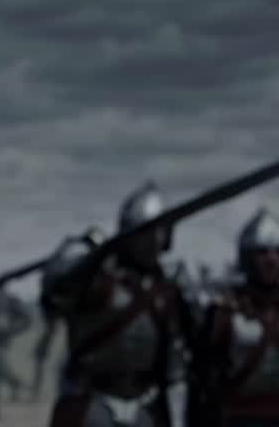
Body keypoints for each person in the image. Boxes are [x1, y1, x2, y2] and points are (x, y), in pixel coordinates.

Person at [40, 182, 190, 427]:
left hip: (145, 402)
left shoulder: (167, 288)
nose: (155, 240)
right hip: (92, 400)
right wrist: (85, 251)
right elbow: (56, 290)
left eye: (160, 232)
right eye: (148, 232)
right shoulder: (99, 277)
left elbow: (175, 364)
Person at [192, 207, 279, 426]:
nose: (271, 260)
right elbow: (202, 375)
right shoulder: (224, 311)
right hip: (238, 418)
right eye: (262, 252)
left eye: (276, 251)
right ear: (247, 258)